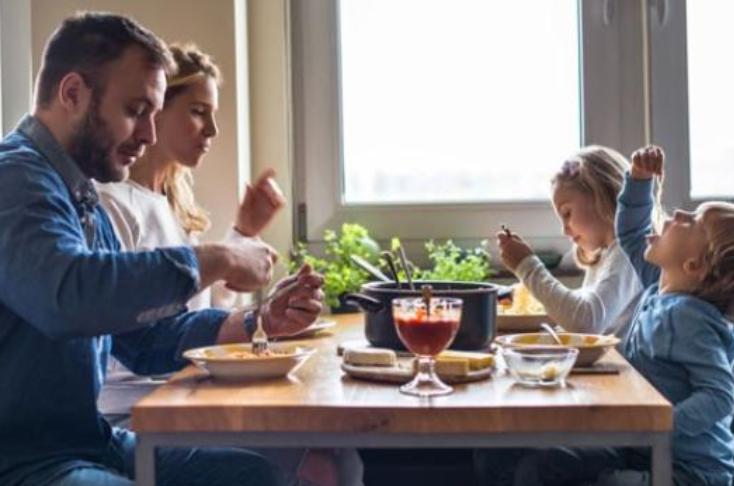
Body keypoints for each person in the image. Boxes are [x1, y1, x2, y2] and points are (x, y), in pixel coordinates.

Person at [0, 12, 324, 486]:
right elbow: (69, 296)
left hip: (88, 441)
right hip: (22, 461)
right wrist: (218, 259)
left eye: (154, 114)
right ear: (72, 94)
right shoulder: (15, 180)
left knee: (253, 475)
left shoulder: (79, 194)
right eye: (136, 111)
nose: (150, 135)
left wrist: (260, 322)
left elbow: (147, 340)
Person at [96, 43, 363, 486]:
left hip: (188, 391)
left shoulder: (170, 203)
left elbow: (197, 311)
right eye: (199, 111)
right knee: (319, 459)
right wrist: (253, 308)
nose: (213, 129)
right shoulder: (111, 204)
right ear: (156, 110)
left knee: (332, 446)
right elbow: (143, 333)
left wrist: (245, 233)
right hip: (140, 407)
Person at [476, 145, 734, 486]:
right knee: (538, 464)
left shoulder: (689, 318)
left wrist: (658, 421)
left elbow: (719, 395)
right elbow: (629, 230)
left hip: (687, 469)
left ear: (694, 266)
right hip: (643, 447)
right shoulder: (659, 287)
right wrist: (639, 181)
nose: (679, 214)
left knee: (556, 473)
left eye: (692, 221)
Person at [495, 146, 644, 342]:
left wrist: (527, 267)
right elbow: (579, 309)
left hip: (627, 371)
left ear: (602, 197)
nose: (564, 230)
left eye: (567, 214)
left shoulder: (627, 254)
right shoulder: (605, 255)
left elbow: (586, 322)